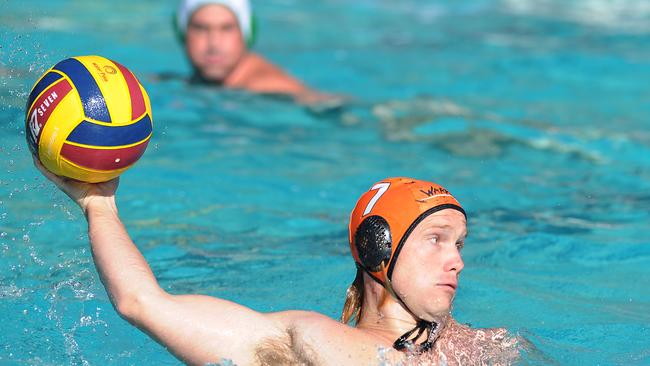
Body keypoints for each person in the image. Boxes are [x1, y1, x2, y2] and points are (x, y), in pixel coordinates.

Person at [34, 157, 521, 365]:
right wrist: (99, 204)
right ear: (378, 246)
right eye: (436, 239)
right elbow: (142, 302)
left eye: (460, 244)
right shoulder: (311, 343)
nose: (456, 261)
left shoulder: (487, 348)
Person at [175, 0, 330, 104]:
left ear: (248, 34)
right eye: (201, 28)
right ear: (182, 34)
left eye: (227, 28)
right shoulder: (184, 81)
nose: (214, 44)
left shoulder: (271, 90)